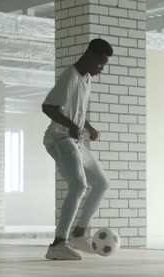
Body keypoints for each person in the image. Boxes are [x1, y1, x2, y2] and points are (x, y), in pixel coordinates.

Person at [41, 38, 113, 260]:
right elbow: (48, 107)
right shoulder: (70, 76)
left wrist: (87, 127)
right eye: (101, 63)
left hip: (74, 140)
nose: (101, 69)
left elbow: (76, 110)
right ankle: (58, 244)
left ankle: (79, 234)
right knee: (79, 185)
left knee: (101, 183)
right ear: (90, 55)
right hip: (59, 139)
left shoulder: (86, 78)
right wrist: (73, 126)